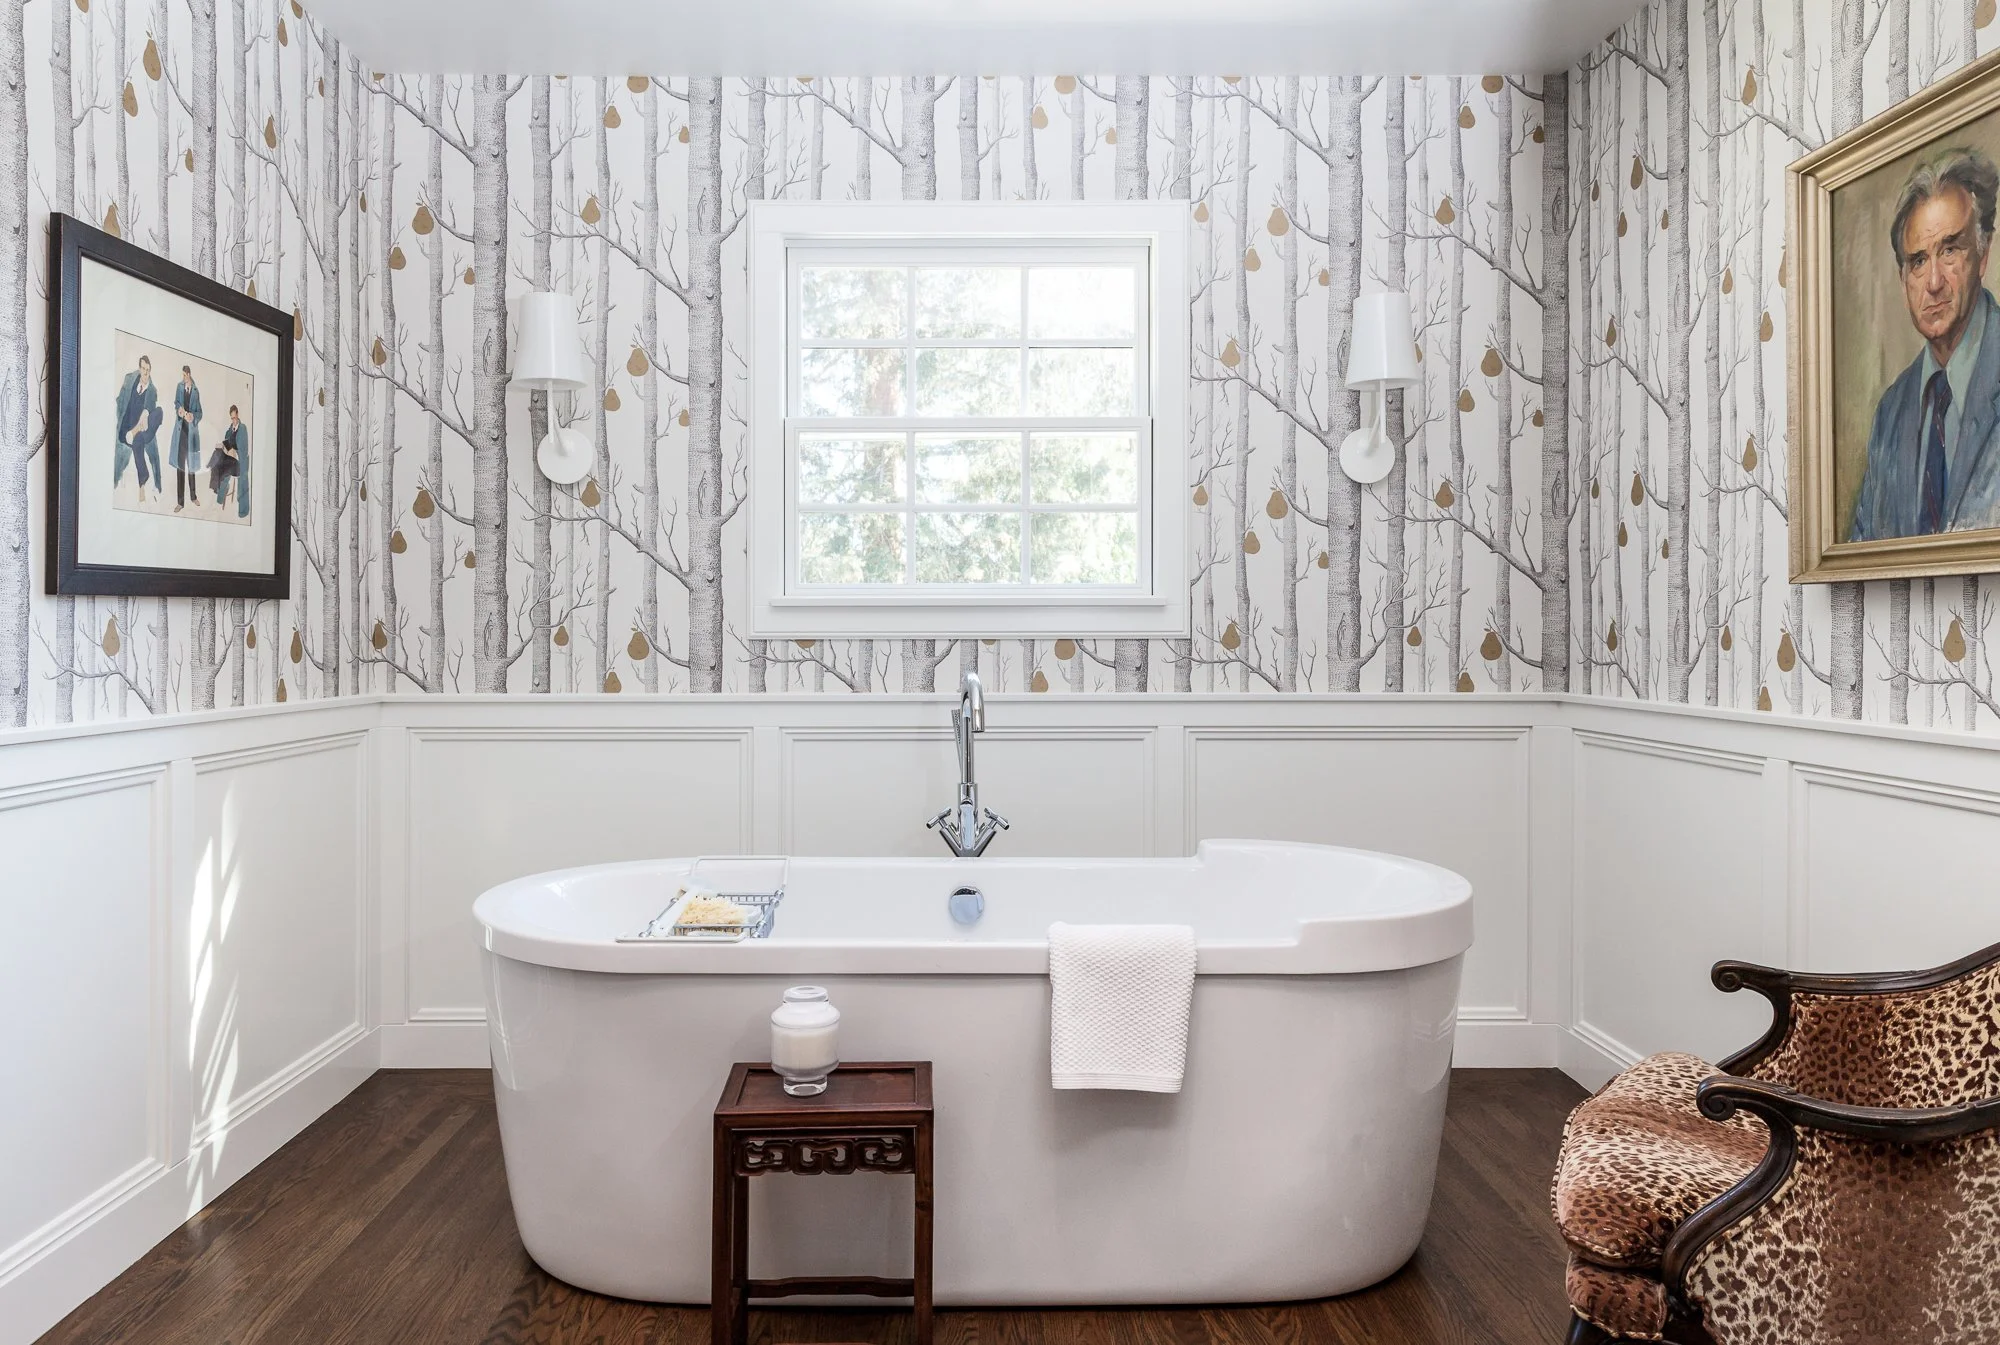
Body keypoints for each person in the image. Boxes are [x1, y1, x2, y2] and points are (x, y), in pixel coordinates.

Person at [1850, 147, 2000, 540]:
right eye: (1918, 260)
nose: (1933, 282)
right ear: (1903, 281)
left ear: (1983, 255)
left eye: (1950, 249)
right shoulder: (1890, 414)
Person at [114, 355, 162, 501]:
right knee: (136, 444)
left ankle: (145, 484)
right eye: (143, 369)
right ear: (139, 368)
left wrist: (146, 413)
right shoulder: (130, 380)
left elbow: (151, 404)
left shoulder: (152, 390)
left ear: (150, 370)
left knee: (158, 411)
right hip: (129, 430)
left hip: (144, 430)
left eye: (148, 370)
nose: (146, 373)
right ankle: (142, 484)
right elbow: (120, 400)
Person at [169, 365, 203, 513]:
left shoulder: (196, 391)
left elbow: (200, 412)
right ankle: (180, 502)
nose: (183, 378)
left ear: (189, 375)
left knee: (192, 467)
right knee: (180, 467)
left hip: (191, 435)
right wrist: (180, 410)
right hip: (180, 433)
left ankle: (193, 496)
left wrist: (193, 416)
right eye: (182, 375)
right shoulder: (179, 387)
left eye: (185, 375)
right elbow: (176, 403)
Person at [208, 405, 246, 511]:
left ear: (237, 415)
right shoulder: (231, 428)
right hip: (230, 454)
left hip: (237, 460)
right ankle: (217, 489)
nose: (233, 420)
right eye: (231, 418)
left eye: (234, 418)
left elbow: (244, 448)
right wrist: (228, 448)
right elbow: (226, 439)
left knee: (225, 471)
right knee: (217, 457)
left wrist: (235, 451)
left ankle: (219, 501)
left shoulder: (242, 429)